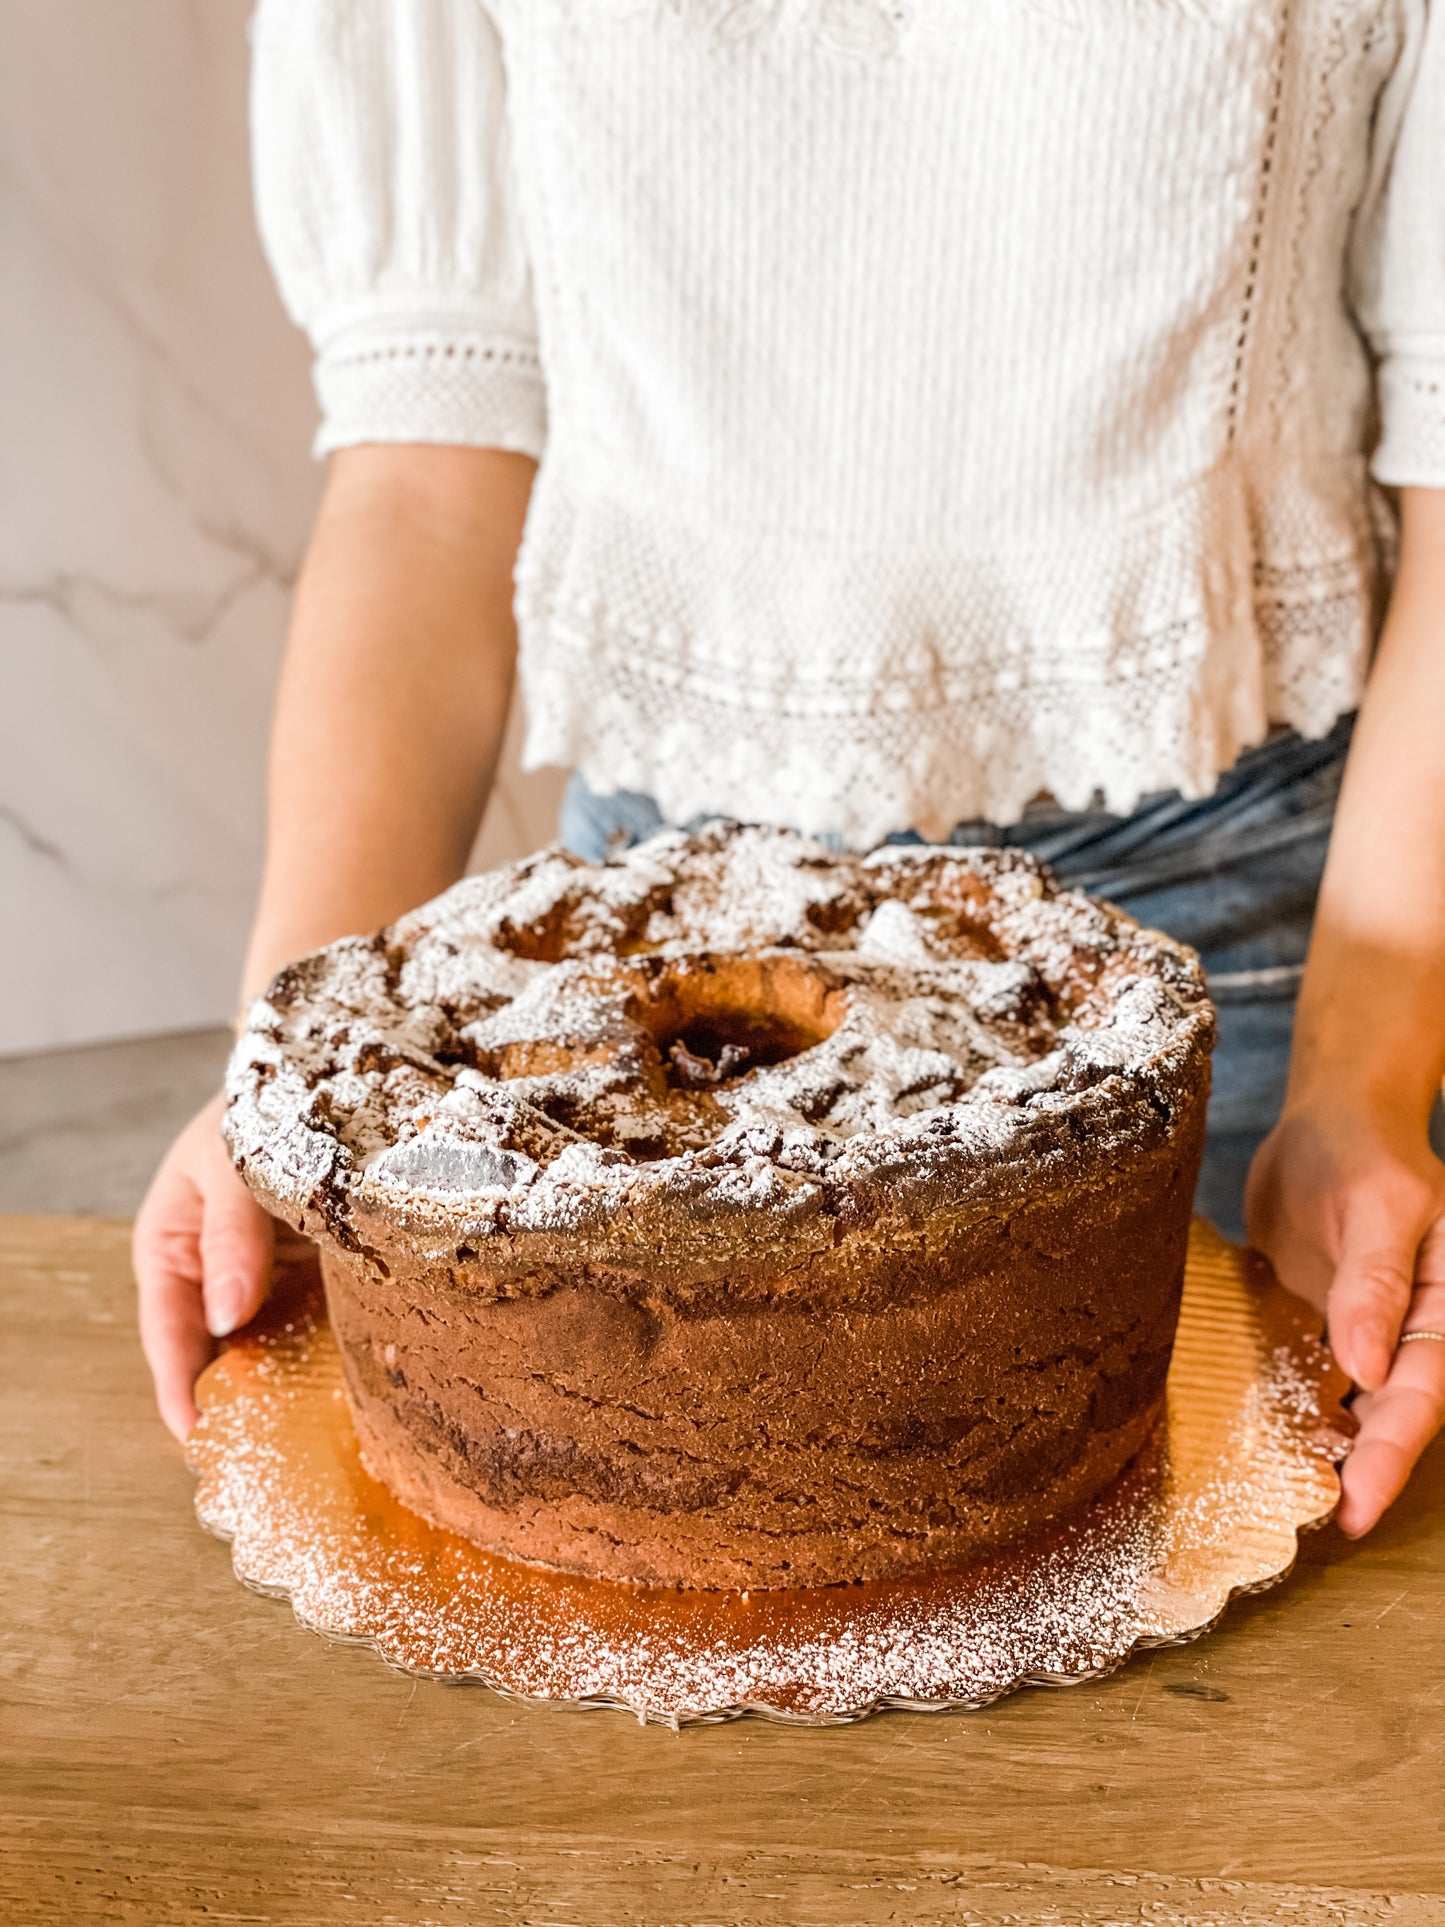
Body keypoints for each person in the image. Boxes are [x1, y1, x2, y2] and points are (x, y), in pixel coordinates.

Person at [135, 0, 1445, 1539]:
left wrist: (1360, 1084)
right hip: (640, 985)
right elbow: (430, 460)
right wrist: (292, 1065)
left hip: (1273, 963)